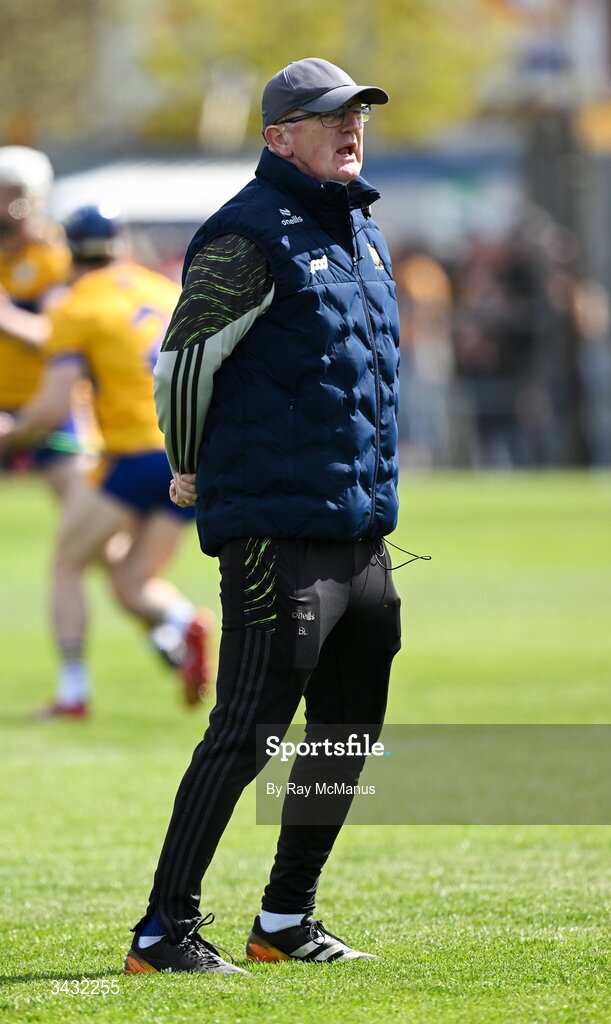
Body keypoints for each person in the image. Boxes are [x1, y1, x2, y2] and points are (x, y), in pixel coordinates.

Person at [123, 57, 401, 977]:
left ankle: (284, 919)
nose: (349, 128)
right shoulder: (246, 233)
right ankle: (165, 932)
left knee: (348, 728)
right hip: (273, 529)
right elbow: (184, 367)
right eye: (330, 118)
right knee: (248, 725)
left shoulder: (362, 233)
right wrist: (188, 464)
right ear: (279, 136)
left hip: (359, 530)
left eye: (357, 114)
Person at [0, 204, 214, 716]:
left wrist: (11, 433)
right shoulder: (166, 290)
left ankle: (73, 693)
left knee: (66, 564)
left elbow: (52, 406)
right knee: (132, 580)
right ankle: (185, 622)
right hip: (188, 458)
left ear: (69, 252)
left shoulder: (77, 306)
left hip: (131, 456)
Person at [0, 146, 80, 500]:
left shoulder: (52, 255)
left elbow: (53, 335)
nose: (3, 203)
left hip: (40, 407)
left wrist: (6, 317)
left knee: (86, 511)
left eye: (11, 193)